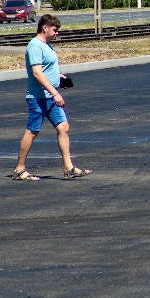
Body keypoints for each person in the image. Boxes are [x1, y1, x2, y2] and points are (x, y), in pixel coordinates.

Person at [11, 14, 90, 181]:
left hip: (51, 96)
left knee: (64, 128)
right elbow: (37, 73)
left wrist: (59, 78)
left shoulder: (47, 46)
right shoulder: (35, 46)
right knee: (32, 131)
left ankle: (68, 168)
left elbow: (46, 69)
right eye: (55, 30)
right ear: (45, 28)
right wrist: (55, 93)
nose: (57, 33)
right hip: (39, 97)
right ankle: (19, 169)